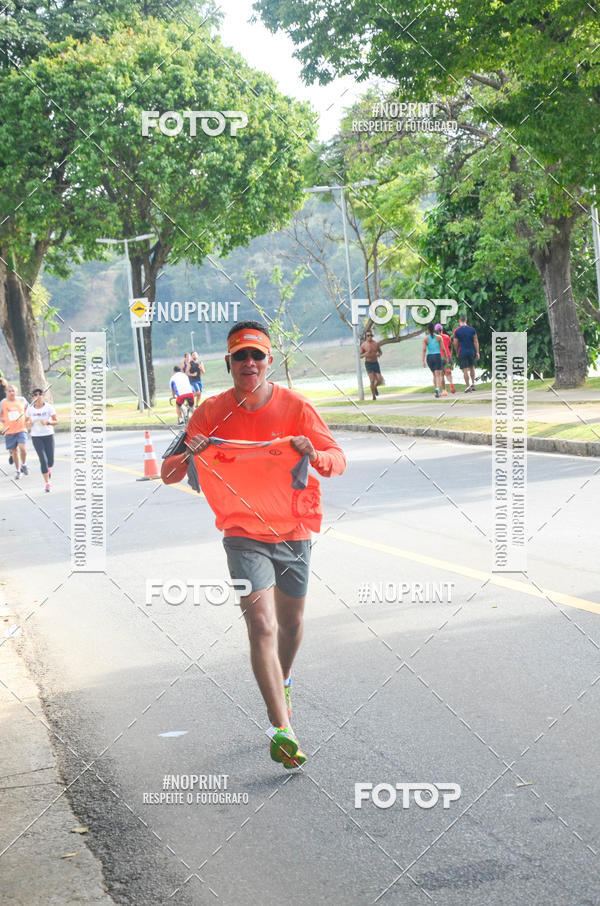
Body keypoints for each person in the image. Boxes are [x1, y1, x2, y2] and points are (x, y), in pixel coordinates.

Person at [161, 321, 346, 769]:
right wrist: (190, 450)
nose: (249, 363)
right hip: (241, 533)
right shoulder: (208, 412)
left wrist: (312, 452)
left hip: (294, 529)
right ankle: (282, 727)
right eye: (240, 356)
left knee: (292, 622)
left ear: (269, 362)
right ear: (227, 364)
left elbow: (337, 462)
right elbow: (167, 474)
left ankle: (281, 681)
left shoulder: (297, 407)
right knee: (261, 625)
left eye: (257, 356)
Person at [25, 389, 58, 492]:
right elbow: (26, 422)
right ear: (33, 397)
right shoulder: (30, 409)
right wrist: (29, 424)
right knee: (43, 460)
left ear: (43, 395)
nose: (38, 396)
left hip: (48, 435)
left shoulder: (49, 407)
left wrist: (48, 422)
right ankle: (47, 483)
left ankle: (49, 469)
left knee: (50, 461)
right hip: (36, 436)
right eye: (35, 394)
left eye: (40, 394)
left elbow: (56, 421)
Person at [1, 384, 28, 478]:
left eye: (13, 391)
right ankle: (17, 471)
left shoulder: (22, 400)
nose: (11, 392)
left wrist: (28, 420)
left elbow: (28, 411)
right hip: (9, 430)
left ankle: (24, 465)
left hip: (21, 428)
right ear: (6, 392)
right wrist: (2, 419)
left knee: (22, 448)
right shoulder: (3, 402)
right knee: (14, 452)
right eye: (9, 391)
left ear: (16, 392)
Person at [453, 315, 480, 392]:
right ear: (466, 320)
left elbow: (455, 343)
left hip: (462, 352)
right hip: (471, 351)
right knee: (472, 367)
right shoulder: (472, 330)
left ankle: (468, 387)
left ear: (459, 321)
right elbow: (476, 341)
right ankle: (473, 384)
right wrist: (477, 352)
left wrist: (456, 351)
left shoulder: (457, 331)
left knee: (465, 370)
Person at [359, 329, 384, 400]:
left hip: (375, 363)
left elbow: (380, 352)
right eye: (368, 335)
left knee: (380, 380)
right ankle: (373, 396)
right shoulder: (363, 345)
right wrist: (365, 354)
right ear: (366, 336)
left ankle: (375, 387)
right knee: (372, 380)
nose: (369, 337)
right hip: (368, 364)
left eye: (371, 335)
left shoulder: (376, 344)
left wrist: (379, 354)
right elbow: (360, 356)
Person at [422, 323, 444, 398]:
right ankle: (437, 389)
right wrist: (446, 357)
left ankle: (436, 389)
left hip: (429, 357)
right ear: (434, 329)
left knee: (434, 375)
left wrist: (423, 361)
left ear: (428, 330)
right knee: (438, 374)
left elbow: (424, 350)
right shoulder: (439, 337)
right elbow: (443, 349)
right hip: (437, 356)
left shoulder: (425, 339)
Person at [435, 323, 455, 396]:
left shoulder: (435, 338)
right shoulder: (446, 337)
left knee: (441, 374)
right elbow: (449, 345)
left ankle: (444, 391)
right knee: (448, 372)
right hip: (448, 356)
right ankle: (451, 383)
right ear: (442, 329)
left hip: (439, 357)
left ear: (435, 330)